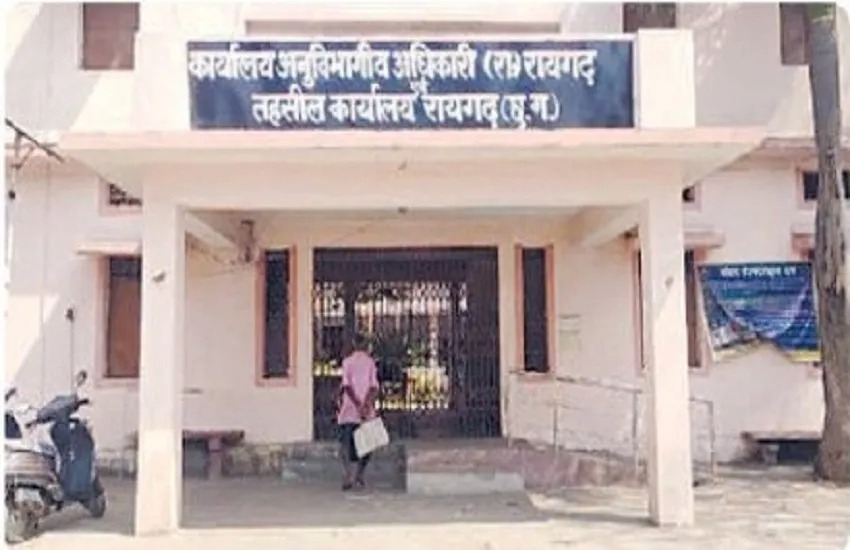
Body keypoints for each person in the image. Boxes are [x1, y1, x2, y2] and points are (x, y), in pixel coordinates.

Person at [336, 333, 379, 491]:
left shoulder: (347, 362)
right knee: (367, 444)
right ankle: (359, 475)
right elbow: (373, 386)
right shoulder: (370, 363)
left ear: (354, 344)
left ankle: (348, 475)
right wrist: (366, 404)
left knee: (345, 443)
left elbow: (346, 386)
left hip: (349, 408)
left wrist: (357, 404)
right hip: (366, 411)